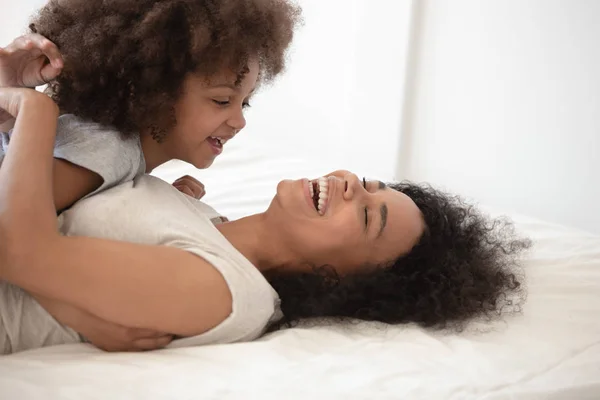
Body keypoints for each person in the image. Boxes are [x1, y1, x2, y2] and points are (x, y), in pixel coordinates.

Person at [0, 87, 529, 355]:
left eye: (367, 216)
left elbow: (19, 250)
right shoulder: (206, 216)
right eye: (369, 184)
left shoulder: (229, 293)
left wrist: (38, 111)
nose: (349, 184)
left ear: (336, 279)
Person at [0, 0, 301, 350]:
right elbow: (11, 234)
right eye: (222, 101)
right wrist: (78, 316)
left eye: (244, 103)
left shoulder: (112, 155)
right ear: (154, 93)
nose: (239, 121)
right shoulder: (109, 149)